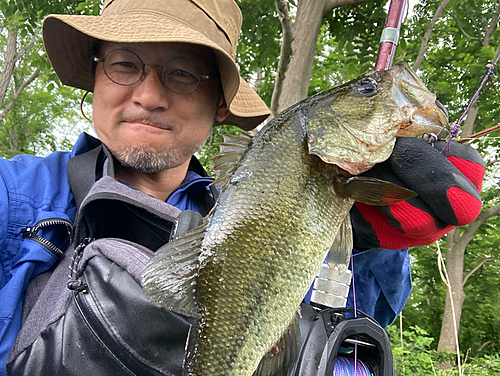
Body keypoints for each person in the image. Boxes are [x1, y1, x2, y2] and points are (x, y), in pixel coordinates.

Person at [0, 0, 485, 374]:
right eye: (125, 65)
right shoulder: (12, 193)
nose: (147, 95)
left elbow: (365, 317)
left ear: (222, 105)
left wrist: (375, 244)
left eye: (182, 73)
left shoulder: (255, 203)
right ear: (95, 77)